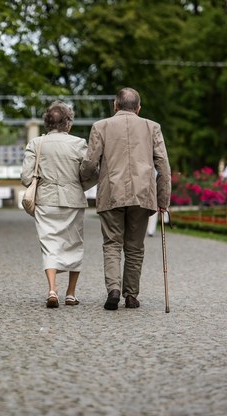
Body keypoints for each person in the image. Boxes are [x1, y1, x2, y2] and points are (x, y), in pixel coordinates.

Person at [80, 87, 171, 310]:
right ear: (138, 108)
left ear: (115, 105)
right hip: (142, 195)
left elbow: (90, 163)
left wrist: (83, 180)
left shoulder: (100, 127)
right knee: (135, 247)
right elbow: (164, 167)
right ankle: (131, 295)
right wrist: (163, 201)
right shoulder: (152, 127)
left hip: (111, 192)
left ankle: (113, 289)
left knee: (111, 244)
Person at [21, 101, 93, 308]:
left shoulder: (36, 144)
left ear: (46, 123)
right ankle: (71, 293)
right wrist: (79, 185)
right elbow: (91, 172)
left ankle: (52, 289)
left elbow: (26, 177)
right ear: (68, 123)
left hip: (46, 200)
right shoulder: (79, 143)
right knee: (74, 243)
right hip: (73, 199)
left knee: (50, 244)